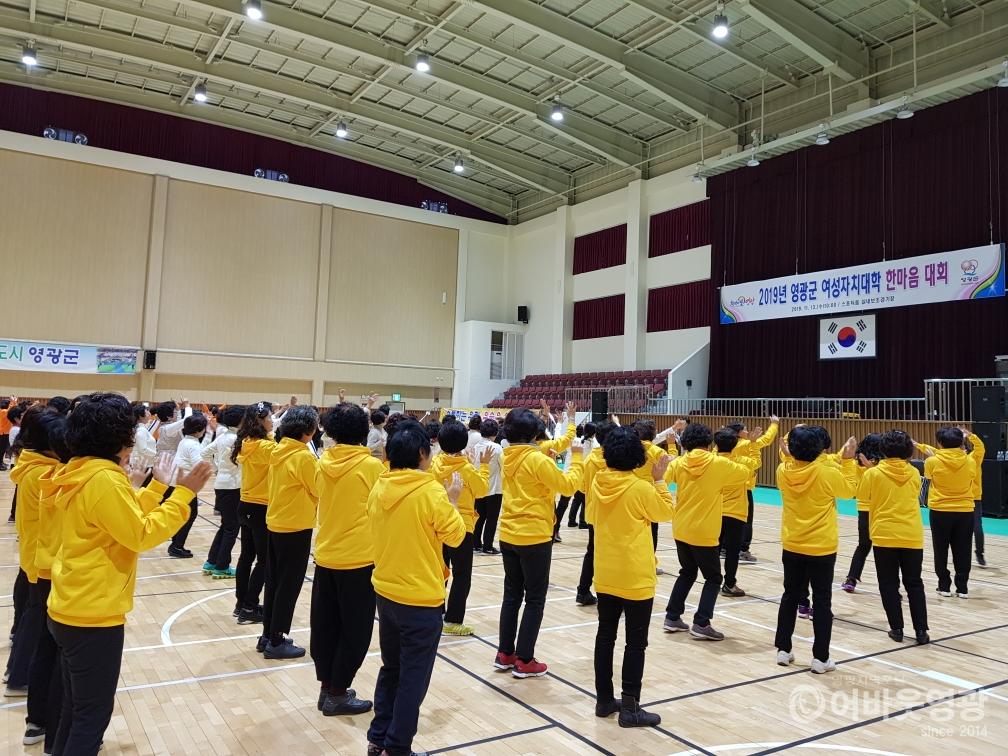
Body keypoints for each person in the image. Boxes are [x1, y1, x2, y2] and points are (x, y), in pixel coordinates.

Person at [47, 392, 211, 755]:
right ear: (121, 436)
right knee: (90, 717)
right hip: (92, 615)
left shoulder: (82, 471)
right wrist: (182, 495)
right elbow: (140, 534)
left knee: (75, 711)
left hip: (70, 604)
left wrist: (156, 488)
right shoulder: (104, 479)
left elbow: (119, 521)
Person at [365, 420, 465, 756]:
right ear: (422, 453)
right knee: (413, 677)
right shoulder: (431, 492)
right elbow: (456, 536)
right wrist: (453, 501)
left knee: (391, 668)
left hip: (386, 592)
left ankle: (378, 738)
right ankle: (397, 746)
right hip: (420, 599)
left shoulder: (379, 486)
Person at [592, 426, 674, 728]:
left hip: (605, 571)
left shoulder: (597, 482)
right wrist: (659, 479)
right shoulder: (640, 488)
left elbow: (590, 518)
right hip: (635, 575)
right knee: (635, 643)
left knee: (605, 636)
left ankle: (604, 700)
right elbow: (666, 512)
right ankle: (630, 707)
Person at [495, 407, 583, 678]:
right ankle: (524, 659)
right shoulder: (537, 459)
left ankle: (505, 653)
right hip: (533, 535)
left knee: (512, 596)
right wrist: (578, 460)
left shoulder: (506, 455)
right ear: (534, 433)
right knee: (534, 598)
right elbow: (568, 486)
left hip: (508, 533)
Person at [312, 402, 385, 717]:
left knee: (325, 627)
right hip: (359, 559)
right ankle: (338, 693)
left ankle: (328, 687)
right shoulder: (371, 467)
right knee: (355, 632)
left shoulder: (322, 462)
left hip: (326, 555)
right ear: (364, 431)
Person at [775, 426, 857, 673]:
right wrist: (849, 460)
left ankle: (783, 649)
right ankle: (820, 658)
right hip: (821, 546)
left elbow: (794, 457)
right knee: (822, 601)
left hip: (792, 543)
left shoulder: (783, 470)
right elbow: (849, 491)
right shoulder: (825, 471)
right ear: (820, 449)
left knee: (790, 596)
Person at [662, 424, 750, 640]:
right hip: (704, 531)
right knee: (713, 578)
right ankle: (701, 622)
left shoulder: (680, 462)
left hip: (681, 527)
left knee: (687, 572)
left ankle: (672, 617)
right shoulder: (719, 463)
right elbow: (745, 474)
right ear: (709, 442)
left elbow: (663, 478)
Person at [6, 408, 63, 702]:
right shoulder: (43, 473)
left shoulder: (32, 463)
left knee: (33, 615)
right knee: (37, 620)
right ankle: (19, 676)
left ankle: (17, 673)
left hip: (35, 552)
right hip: (43, 557)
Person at [24, 410, 71, 753]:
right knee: (59, 656)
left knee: (46, 647)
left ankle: (37, 721)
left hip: (39, 564)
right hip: (51, 569)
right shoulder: (49, 476)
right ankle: (55, 731)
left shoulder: (32, 469)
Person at [858, 430, 929, 645]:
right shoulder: (914, 472)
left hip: (884, 534)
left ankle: (896, 628)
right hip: (911, 534)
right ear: (908, 451)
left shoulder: (873, 474)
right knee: (914, 583)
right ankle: (921, 631)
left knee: (888, 583)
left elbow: (863, 496)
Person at [262, 406, 320, 659]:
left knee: (274, 582)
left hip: (276, 522)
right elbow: (318, 488)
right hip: (295, 525)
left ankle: (267, 634)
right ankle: (276, 640)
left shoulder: (279, 450)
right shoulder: (303, 457)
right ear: (308, 431)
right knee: (289, 585)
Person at [430, 421, 490, 636]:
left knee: (440, 570)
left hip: (437, 524)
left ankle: (436, 612)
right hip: (462, 526)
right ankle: (453, 620)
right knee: (462, 574)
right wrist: (483, 466)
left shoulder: (435, 463)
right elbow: (482, 490)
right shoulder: (466, 468)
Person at [918, 426, 982, 598]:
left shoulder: (932, 461)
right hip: (965, 510)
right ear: (961, 442)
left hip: (940, 510)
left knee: (940, 549)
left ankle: (944, 586)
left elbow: (927, 483)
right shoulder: (970, 461)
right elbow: (979, 452)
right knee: (964, 550)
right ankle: (962, 588)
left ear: (940, 443)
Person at [233, 402, 277, 625]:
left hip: (245, 504)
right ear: (260, 421)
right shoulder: (267, 447)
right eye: (269, 417)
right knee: (264, 560)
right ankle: (249, 607)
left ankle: (241, 603)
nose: (272, 421)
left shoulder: (246, 442)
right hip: (261, 506)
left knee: (246, 556)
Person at [727, 417, 779, 564]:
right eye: (744, 429)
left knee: (727, 518)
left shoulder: (726, 444)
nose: (747, 431)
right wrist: (774, 424)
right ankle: (743, 549)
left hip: (728, 486)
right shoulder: (746, 444)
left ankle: (724, 547)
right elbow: (767, 439)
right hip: (744, 487)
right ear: (738, 433)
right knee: (746, 520)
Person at [713, 428, 758, 598]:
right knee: (732, 552)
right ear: (735, 444)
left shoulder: (711, 461)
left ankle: (713, 582)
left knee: (715, 548)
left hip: (714, 510)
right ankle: (729, 584)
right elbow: (756, 463)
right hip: (736, 513)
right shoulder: (742, 462)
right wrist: (753, 444)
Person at [201, 405, 245, 579]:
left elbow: (204, 453)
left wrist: (217, 469)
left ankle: (212, 562)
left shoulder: (223, 437)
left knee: (226, 525)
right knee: (232, 528)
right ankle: (221, 566)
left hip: (221, 484)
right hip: (233, 486)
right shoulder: (238, 439)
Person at [577, 418, 616, 607]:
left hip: (593, 512)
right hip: (613, 513)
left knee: (592, 551)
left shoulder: (589, 460)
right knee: (614, 554)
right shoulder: (616, 460)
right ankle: (611, 595)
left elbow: (582, 488)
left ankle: (583, 590)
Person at [841, 433, 883, 593]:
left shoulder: (855, 462)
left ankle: (851, 579)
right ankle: (891, 587)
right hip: (880, 508)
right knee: (882, 549)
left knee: (863, 546)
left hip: (864, 509)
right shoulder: (881, 465)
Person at [166, 413, 208, 558]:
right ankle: (177, 546)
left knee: (183, 514)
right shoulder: (193, 444)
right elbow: (198, 465)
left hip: (176, 481)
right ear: (199, 430)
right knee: (190, 514)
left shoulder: (185, 441)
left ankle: (175, 544)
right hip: (185, 484)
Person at [472, 418, 503, 555]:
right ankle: (488, 546)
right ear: (495, 432)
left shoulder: (476, 447)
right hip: (494, 488)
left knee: (479, 517)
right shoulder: (497, 448)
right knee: (492, 519)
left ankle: (476, 544)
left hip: (479, 487)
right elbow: (504, 466)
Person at [559, 422, 595, 533]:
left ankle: (564, 524)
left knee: (565, 503)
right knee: (583, 500)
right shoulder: (592, 444)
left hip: (568, 474)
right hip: (580, 476)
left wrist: (562, 423)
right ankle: (582, 522)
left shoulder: (573, 441)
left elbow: (561, 438)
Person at [0, 396, 14, 471]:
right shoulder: (4, 411)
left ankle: (1, 462)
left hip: (4, 432)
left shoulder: (2, 411)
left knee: (2, 450)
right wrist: (13, 401)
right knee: (1, 450)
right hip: (3, 433)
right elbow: (12, 409)